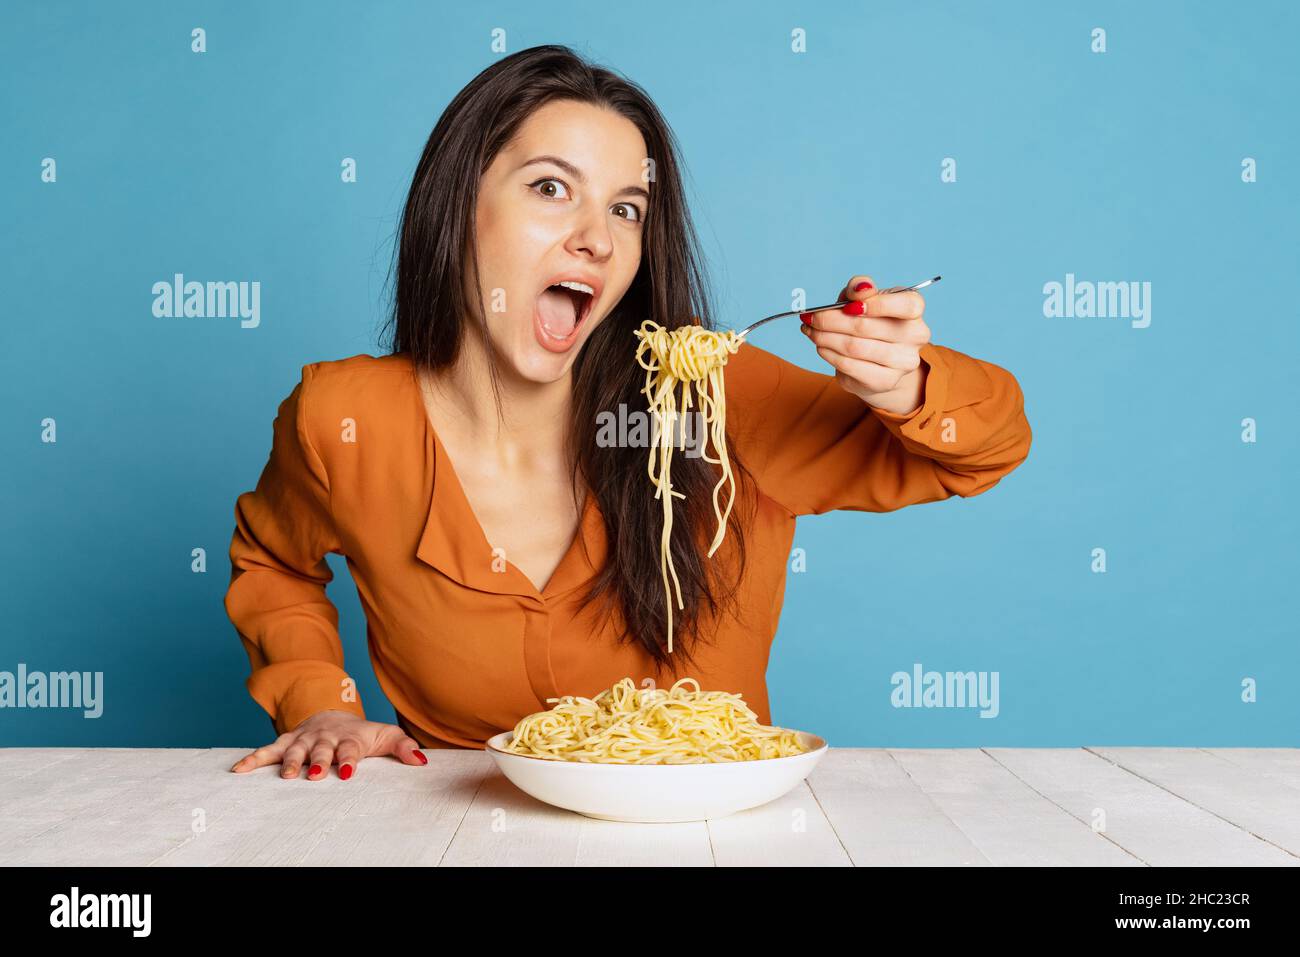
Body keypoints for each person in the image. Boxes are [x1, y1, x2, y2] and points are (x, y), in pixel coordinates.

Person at [226, 45, 1032, 781]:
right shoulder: (343, 417)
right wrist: (319, 701)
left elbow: (981, 449)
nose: (597, 241)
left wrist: (906, 384)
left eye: (626, 209)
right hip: (463, 836)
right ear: (457, 204)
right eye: (550, 188)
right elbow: (275, 564)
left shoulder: (712, 397)